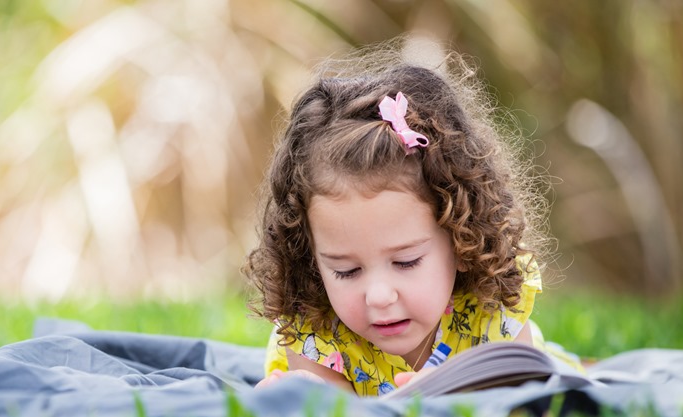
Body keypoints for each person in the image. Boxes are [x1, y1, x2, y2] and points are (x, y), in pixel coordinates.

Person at [244, 42, 571, 397]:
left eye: (406, 261)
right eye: (346, 271)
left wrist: (451, 396)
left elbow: (524, 400)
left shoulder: (493, 310)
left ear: (462, 238)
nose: (379, 297)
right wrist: (310, 395)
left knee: (559, 368)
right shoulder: (313, 329)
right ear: (310, 260)